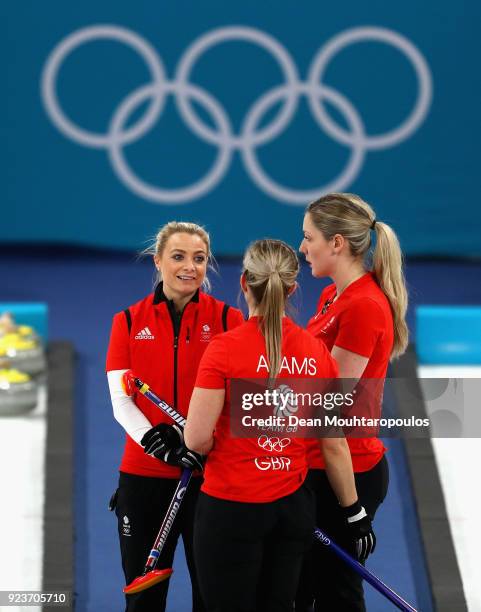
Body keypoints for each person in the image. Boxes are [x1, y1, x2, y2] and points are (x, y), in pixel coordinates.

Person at [183, 239, 376, 612]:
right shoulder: (315, 351)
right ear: (292, 288)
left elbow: (196, 438)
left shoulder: (223, 349)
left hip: (231, 510)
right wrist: (354, 513)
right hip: (291, 512)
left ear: (243, 283)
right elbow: (333, 443)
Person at [105, 221, 245, 612]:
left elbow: (240, 400)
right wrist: (159, 446)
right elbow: (121, 401)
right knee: (143, 600)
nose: (190, 267)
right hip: (144, 479)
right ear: (158, 261)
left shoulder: (228, 320)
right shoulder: (128, 322)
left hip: (210, 477)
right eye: (179, 257)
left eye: (199, 259)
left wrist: (202, 440)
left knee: (213, 598)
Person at [296, 192, 409, 611]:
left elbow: (326, 410)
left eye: (309, 238)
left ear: (337, 243)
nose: (303, 248)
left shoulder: (363, 306)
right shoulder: (334, 297)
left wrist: (352, 508)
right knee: (302, 589)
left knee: (336, 594)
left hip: (344, 474)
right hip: (316, 467)